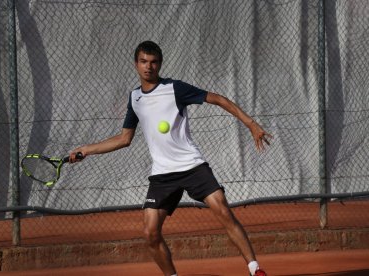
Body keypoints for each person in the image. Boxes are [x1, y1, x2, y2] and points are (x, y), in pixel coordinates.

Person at [70, 41, 272, 276]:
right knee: (150, 233)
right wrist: (87, 149)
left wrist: (251, 124)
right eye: (144, 62)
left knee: (223, 210)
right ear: (136, 64)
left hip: (192, 165)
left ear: (160, 64)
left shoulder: (175, 88)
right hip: (162, 174)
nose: (149, 67)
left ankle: (254, 269)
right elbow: (125, 138)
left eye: (154, 62)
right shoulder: (135, 98)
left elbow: (217, 99)